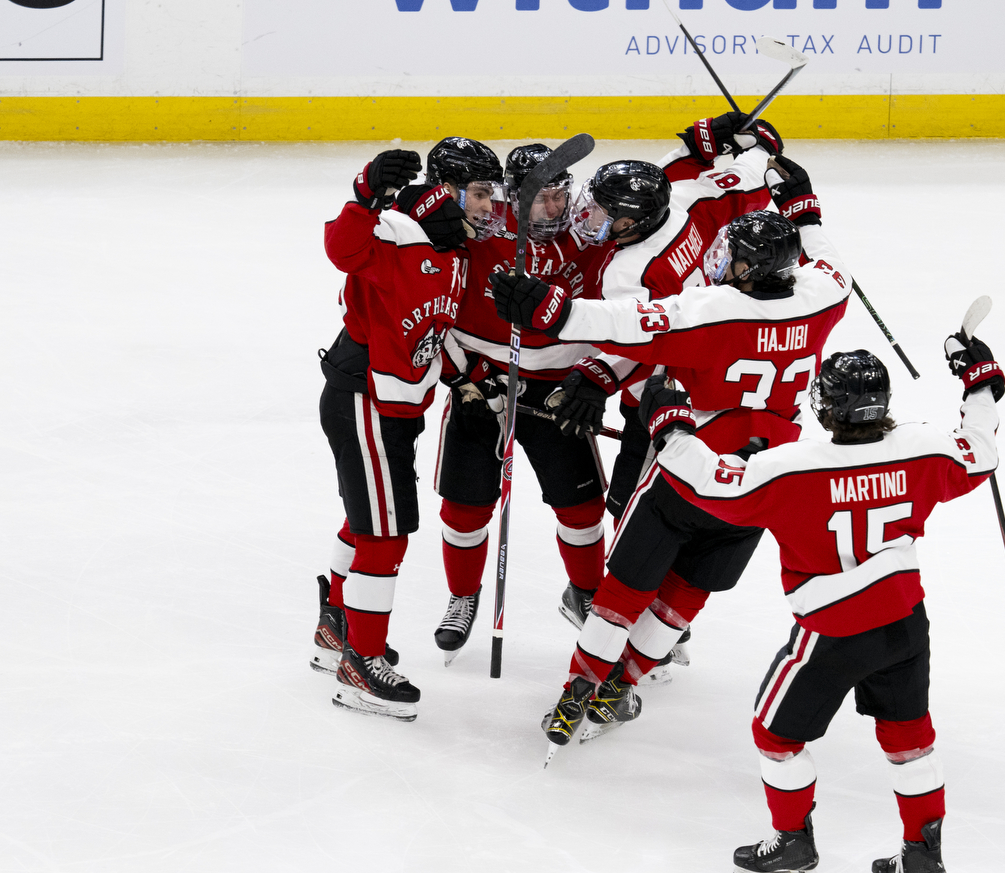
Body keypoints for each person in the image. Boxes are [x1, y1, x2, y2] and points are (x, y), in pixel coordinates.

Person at [636, 338, 1005, 873]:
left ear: (827, 408)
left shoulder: (791, 467)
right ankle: (923, 859)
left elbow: (711, 483)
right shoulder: (924, 450)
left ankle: (792, 848)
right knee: (909, 737)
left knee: (775, 735)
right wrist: (978, 383)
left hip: (832, 632)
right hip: (905, 621)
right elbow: (980, 449)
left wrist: (671, 426)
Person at [491, 157, 848, 746]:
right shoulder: (821, 299)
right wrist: (802, 203)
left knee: (623, 590)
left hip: (689, 468)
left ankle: (579, 689)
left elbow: (631, 321)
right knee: (686, 595)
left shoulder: (713, 311)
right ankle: (622, 685)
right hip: (763, 481)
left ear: (744, 267)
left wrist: (546, 309)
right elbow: (831, 260)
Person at [308, 145, 480, 721]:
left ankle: (337, 623)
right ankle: (362, 662)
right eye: (476, 194)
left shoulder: (455, 251)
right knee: (386, 533)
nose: (485, 207)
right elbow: (342, 248)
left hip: (399, 405)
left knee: (368, 519)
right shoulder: (399, 235)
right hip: (363, 399)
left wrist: (469, 379)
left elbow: (433, 331)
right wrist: (362, 192)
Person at [549, 114, 782, 531]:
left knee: (635, 513)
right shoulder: (686, 201)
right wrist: (760, 148)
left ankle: (626, 587)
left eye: (604, 213)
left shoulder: (628, 274)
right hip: (717, 381)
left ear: (632, 222)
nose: (590, 217)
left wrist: (598, 373)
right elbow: (744, 182)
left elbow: (644, 341)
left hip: (658, 400)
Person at [431, 143, 614, 655]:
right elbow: (431, 311)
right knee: (466, 507)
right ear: (515, 197)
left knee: (582, 508)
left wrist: (588, 379)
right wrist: (463, 376)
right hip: (484, 383)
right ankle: (463, 596)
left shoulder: (593, 237)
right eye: (541, 199)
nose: (553, 210)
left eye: (560, 197)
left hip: (560, 389)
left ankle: (585, 594)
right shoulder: (478, 233)